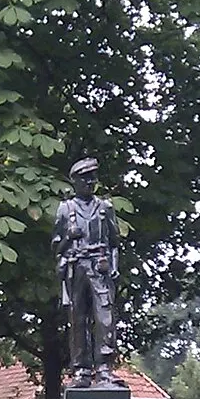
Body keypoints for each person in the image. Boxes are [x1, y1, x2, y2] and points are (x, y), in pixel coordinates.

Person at [53, 157, 119, 384]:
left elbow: (114, 242)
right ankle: (81, 368)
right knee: (78, 318)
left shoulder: (105, 208)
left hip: (100, 267)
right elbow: (56, 246)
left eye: (93, 177)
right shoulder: (65, 209)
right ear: (75, 181)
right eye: (85, 178)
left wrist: (113, 269)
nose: (90, 182)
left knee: (105, 318)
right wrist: (68, 238)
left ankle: (104, 368)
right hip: (76, 266)